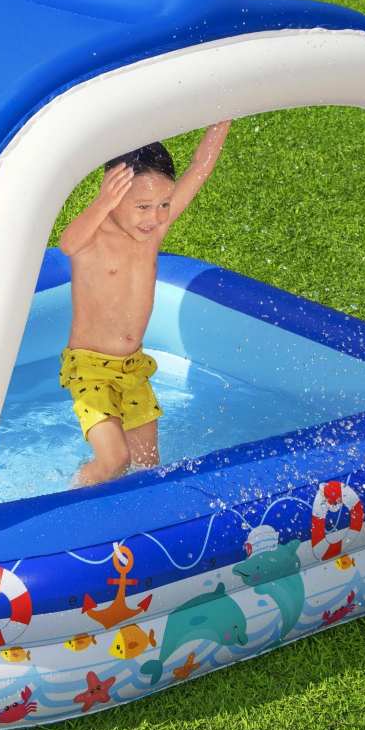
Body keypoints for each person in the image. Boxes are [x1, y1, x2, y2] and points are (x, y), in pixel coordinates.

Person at [57, 120, 232, 486]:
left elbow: (200, 167)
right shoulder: (93, 239)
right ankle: (70, 500)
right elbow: (67, 244)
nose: (155, 217)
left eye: (163, 204)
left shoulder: (152, 233)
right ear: (114, 197)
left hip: (133, 367)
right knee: (115, 460)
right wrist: (101, 203)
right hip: (90, 368)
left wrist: (225, 115)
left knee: (147, 465)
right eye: (142, 206)